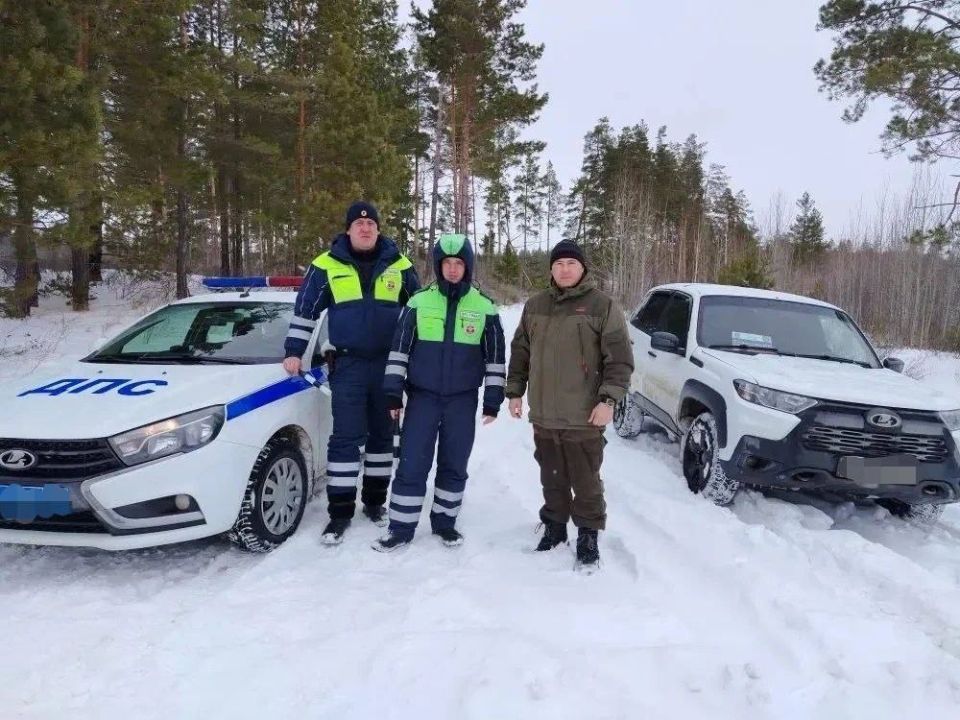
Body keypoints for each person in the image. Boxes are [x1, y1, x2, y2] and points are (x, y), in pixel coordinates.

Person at [283, 201, 420, 544]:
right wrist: (293, 352)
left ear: (378, 229)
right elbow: (306, 312)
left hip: (389, 366)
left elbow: (419, 312)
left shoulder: (400, 264)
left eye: (371, 224)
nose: (365, 229)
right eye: (359, 225)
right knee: (345, 438)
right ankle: (340, 513)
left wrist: (421, 357)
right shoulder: (325, 266)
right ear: (348, 229)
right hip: (348, 365)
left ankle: (374, 503)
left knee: (382, 437)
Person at [504, 240, 633, 570]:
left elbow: (619, 360)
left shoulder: (602, 306)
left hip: (583, 414)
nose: (564, 269)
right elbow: (521, 353)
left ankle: (588, 533)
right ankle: (555, 527)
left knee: (585, 478)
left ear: (583, 269)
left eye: (571, 264)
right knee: (552, 475)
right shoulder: (535, 306)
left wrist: (608, 400)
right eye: (558, 264)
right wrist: (514, 392)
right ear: (551, 269)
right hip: (544, 413)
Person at [372, 233, 506, 552]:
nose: (453, 269)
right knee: (412, 463)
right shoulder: (418, 302)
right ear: (438, 266)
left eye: (459, 263)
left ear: (468, 266)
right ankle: (400, 528)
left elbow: (496, 358)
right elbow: (399, 351)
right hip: (422, 398)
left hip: (462, 400)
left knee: (454, 462)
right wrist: (393, 393)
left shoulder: (485, 307)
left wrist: (492, 400)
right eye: (447, 263)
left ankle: (445, 523)